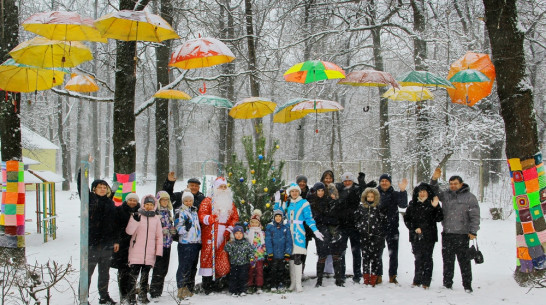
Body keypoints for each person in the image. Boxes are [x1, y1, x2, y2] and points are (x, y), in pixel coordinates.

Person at [431, 168, 480, 293]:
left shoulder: (470, 197)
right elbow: (434, 191)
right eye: (451, 184)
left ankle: (467, 285)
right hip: (447, 233)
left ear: (461, 184)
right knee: (447, 261)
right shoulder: (446, 195)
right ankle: (447, 284)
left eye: (455, 184)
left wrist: (473, 231)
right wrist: (434, 179)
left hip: (463, 235)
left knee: (464, 261)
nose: (453, 186)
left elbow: (475, 216)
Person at [76, 170, 118, 305]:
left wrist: (115, 240)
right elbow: (81, 185)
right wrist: (83, 170)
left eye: (104, 187)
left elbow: (114, 223)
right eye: (99, 187)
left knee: (104, 273)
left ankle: (104, 297)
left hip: (107, 244)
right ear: (94, 189)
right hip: (92, 243)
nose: (102, 189)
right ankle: (83, 298)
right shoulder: (89, 199)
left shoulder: (110, 203)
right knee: (87, 273)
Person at [275, 183, 324, 292]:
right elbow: (278, 213)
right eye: (292, 191)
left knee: (297, 256)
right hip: (288, 231)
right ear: (290, 193)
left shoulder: (304, 203)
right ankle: (292, 283)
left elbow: (309, 218)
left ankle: (298, 283)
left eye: (296, 191)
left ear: (299, 192)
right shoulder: (287, 203)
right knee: (291, 258)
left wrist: (315, 230)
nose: (294, 193)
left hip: (299, 231)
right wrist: (277, 201)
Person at [198, 177, 239, 294]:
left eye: (225, 187)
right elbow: (202, 214)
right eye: (221, 187)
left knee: (221, 255)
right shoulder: (208, 201)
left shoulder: (230, 203)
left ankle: (219, 281)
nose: (223, 189)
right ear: (216, 188)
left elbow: (235, 217)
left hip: (224, 232)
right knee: (209, 255)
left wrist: (229, 228)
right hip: (210, 231)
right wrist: (209, 218)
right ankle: (207, 283)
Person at [403, 183, 443, 290]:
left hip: (429, 235)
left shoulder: (432, 203)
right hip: (415, 236)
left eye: (424, 191)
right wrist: (414, 227)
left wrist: (436, 207)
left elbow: (439, 218)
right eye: (420, 191)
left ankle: (426, 281)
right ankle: (417, 279)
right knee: (418, 258)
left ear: (428, 192)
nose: (422, 193)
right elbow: (407, 219)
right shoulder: (412, 204)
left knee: (428, 258)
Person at [126, 195, 163, 304]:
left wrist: (158, 251)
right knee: (133, 275)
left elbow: (159, 236)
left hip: (149, 253)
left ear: (154, 206)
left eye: (151, 205)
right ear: (143, 204)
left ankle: (143, 295)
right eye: (147, 204)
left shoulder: (156, 219)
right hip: (136, 251)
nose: (148, 207)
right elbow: (129, 231)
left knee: (145, 276)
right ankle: (131, 296)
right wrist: (135, 221)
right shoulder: (137, 215)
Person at [307, 182, 344, 287]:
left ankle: (338, 279)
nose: (320, 192)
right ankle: (319, 280)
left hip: (332, 230)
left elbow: (336, 217)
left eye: (322, 190)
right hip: (320, 231)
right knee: (322, 254)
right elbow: (316, 218)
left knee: (336, 253)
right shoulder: (312, 203)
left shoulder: (330, 200)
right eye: (318, 190)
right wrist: (327, 219)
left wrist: (328, 219)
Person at [376, 174, 408, 284]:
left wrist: (403, 190)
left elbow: (403, 205)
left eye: (386, 181)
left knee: (393, 253)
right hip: (378, 228)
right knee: (377, 253)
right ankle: (378, 275)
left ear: (390, 182)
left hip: (392, 228)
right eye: (382, 180)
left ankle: (392, 275)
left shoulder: (395, 194)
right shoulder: (375, 193)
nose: (384, 182)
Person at [335, 172, 364, 283]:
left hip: (355, 225)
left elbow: (365, 194)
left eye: (349, 180)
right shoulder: (338, 189)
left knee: (356, 251)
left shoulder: (357, 189)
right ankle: (341, 274)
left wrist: (362, 183)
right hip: (342, 225)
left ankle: (357, 274)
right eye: (345, 181)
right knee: (341, 251)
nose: (347, 182)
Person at [111, 193, 140, 304]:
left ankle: (131, 293)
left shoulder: (139, 212)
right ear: (126, 201)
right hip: (122, 244)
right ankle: (123, 294)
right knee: (123, 270)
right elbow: (115, 227)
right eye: (130, 200)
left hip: (135, 245)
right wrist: (116, 240)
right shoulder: (119, 210)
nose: (132, 202)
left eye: (134, 200)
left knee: (132, 271)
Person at [356, 188, 387, 287]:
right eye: (368, 196)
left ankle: (373, 278)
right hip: (364, 236)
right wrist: (360, 227)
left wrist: (380, 233)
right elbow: (356, 220)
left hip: (376, 237)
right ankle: (366, 278)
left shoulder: (378, 208)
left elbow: (384, 222)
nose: (370, 198)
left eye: (372, 197)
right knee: (365, 258)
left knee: (375, 258)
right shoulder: (361, 208)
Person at [174, 189, 201, 300]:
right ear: (183, 201)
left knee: (192, 266)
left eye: (190, 200)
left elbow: (197, 226)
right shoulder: (180, 212)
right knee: (184, 266)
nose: (189, 202)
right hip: (185, 243)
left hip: (196, 242)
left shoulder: (194, 211)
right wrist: (186, 228)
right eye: (186, 201)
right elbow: (178, 228)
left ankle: (189, 287)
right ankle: (181, 288)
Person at [149, 191, 177, 298]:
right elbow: (152, 228)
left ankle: (158, 290)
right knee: (158, 268)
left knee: (164, 268)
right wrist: (161, 230)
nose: (165, 202)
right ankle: (154, 291)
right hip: (158, 244)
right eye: (163, 200)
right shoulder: (155, 212)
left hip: (167, 243)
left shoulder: (168, 212)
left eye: (167, 200)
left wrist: (172, 230)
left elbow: (169, 224)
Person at [265, 209, 293, 292]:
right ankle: (273, 284)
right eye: (276, 216)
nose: (278, 218)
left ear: (282, 218)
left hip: (282, 253)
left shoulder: (285, 228)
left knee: (281, 270)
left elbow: (289, 241)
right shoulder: (270, 228)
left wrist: (288, 253)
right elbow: (268, 241)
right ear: (274, 218)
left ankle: (281, 283)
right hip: (273, 254)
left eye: (279, 216)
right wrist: (270, 253)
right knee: (273, 269)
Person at [224, 225, 255, 297]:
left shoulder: (246, 244)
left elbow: (250, 252)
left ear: (243, 234)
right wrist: (229, 242)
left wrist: (252, 260)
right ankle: (233, 291)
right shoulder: (232, 243)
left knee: (243, 277)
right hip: (234, 264)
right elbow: (226, 249)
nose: (238, 235)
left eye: (240, 233)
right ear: (234, 235)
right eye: (236, 234)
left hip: (244, 264)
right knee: (233, 278)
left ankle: (242, 290)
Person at [245, 209, 266, 293]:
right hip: (250, 256)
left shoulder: (262, 233)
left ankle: (259, 286)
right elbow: (245, 243)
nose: (254, 224)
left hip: (259, 256)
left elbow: (264, 244)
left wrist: (265, 252)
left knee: (259, 271)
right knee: (250, 272)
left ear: (259, 223)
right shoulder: (247, 232)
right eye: (252, 222)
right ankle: (250, 285)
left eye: (256, 222)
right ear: (250, 223)